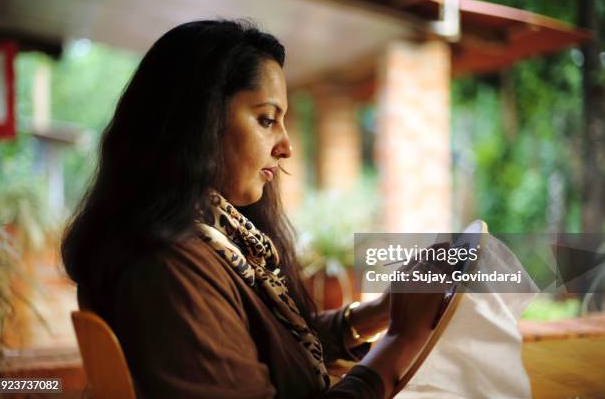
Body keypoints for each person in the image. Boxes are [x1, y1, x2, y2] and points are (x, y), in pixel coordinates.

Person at [61, 20, 446, 399]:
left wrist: (374, 314)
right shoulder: (168, 268)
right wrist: (399, 342)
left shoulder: (210, 240)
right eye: (266, 119)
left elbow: (270, 347)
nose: (286, 146)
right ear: (199, 120)